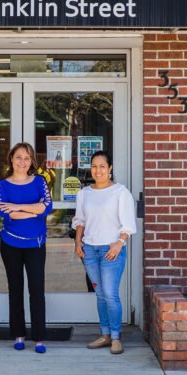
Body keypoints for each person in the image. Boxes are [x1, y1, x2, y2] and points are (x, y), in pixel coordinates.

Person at [72, 150, 136, 355]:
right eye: (94, 166)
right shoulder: (84, 193)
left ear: (110, 169)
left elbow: (128, 223)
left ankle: (116, 337)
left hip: (111, 250)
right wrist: (77, 242)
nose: (97, 170)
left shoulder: (120, 192)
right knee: (100, 295)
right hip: (90, 250)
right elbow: (80, 221)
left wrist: (119, 243)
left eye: (102, 166)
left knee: (110, 295)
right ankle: (105, 334)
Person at [0, 142, 53, 353]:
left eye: (27, 158)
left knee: (37, 290)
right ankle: (19, 335)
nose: (22, 161)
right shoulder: (3, 185)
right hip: (10, 243)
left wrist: (19, 207)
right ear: (11, 158)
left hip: (36, 243)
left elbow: (47, 207)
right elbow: (7, 213)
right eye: (18, 157)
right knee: (16, 289)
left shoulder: (39, 182)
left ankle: (39, 338)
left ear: (32, 162)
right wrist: (33, 210)